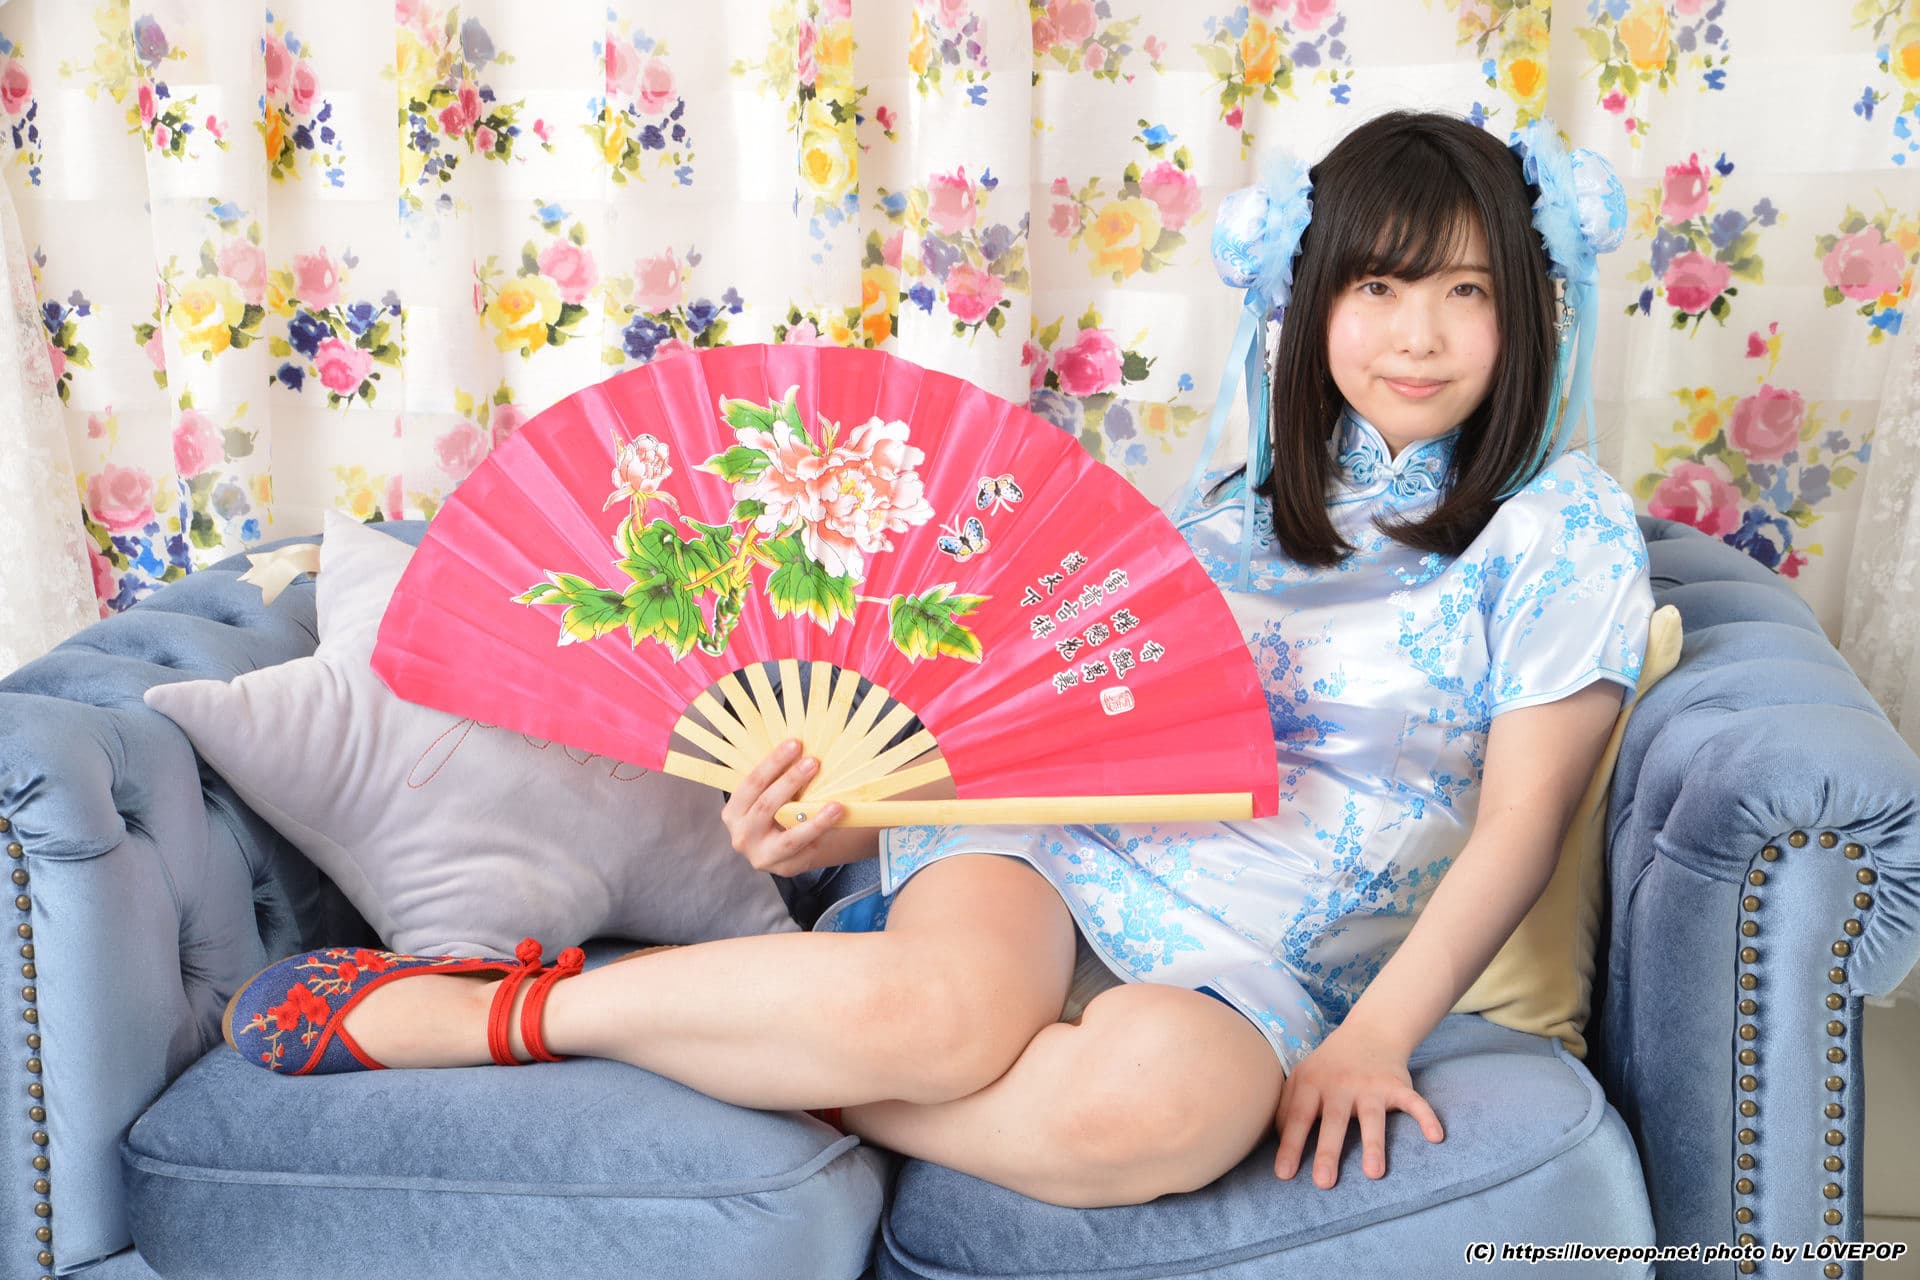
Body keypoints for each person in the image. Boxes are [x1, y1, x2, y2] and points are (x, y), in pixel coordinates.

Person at [225, 109, 1650, 1210]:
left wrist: (1375, 1037)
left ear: (1527, 307)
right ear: (1313, 296)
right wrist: (846, 823)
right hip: (1056, 855)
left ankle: (786, 1059)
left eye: (1466, 290)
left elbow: (1518, 830)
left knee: (1159, 1115)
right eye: (1381, 284)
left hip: (1264, 968)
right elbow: (1056, 728)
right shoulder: (1232, 510)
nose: (1419, 334)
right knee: (951, 1013)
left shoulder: (1562, 531)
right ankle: (502, 1017)